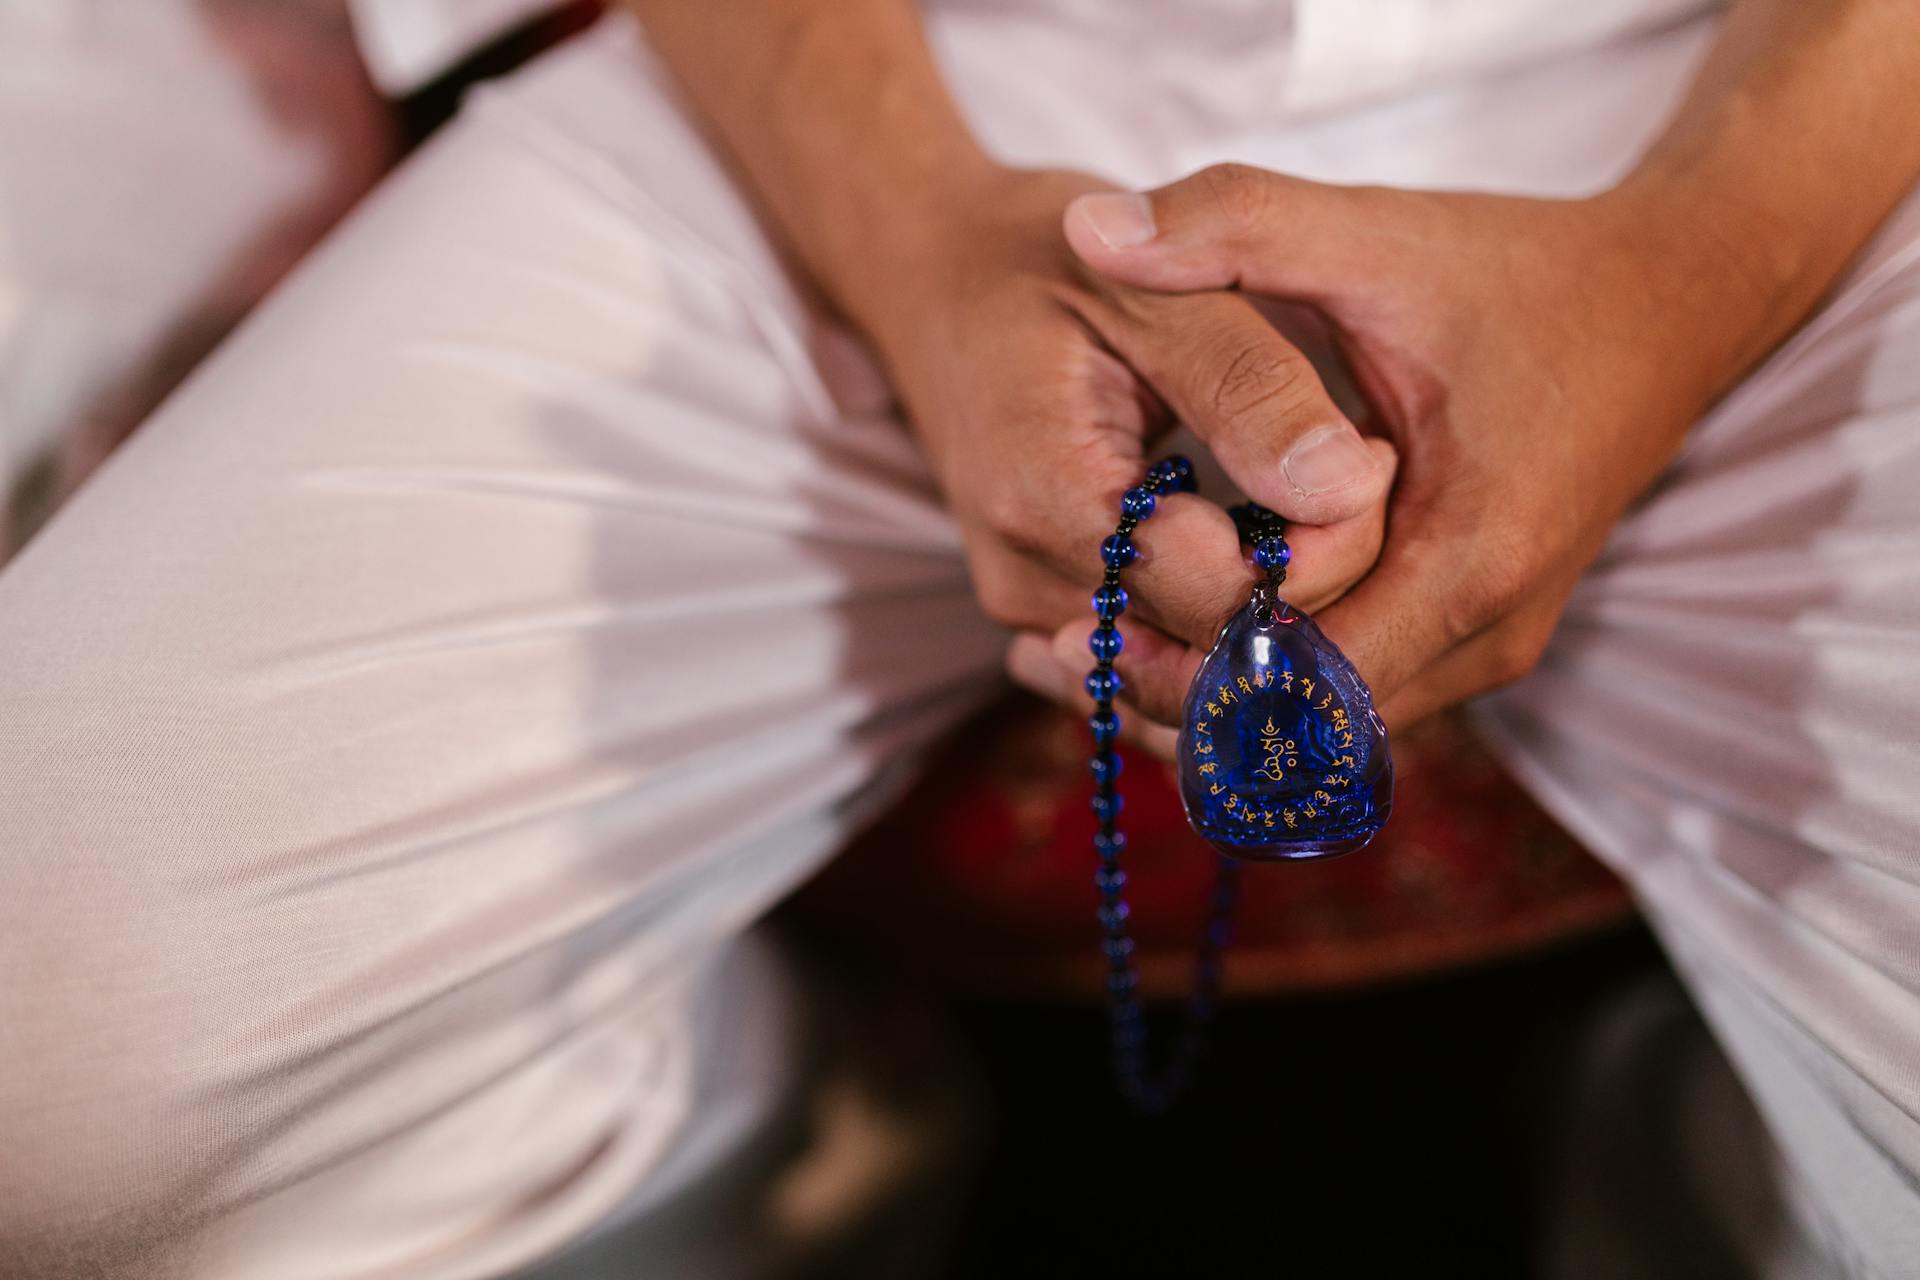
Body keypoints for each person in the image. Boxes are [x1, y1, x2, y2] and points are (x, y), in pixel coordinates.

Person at [2, 0, 1916, 1275]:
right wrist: (912, 225)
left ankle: (1707, 1195)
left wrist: (1700, 258)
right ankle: (757, 1179)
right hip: (854, 94)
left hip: (1801, 117)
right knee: (57, 1055)